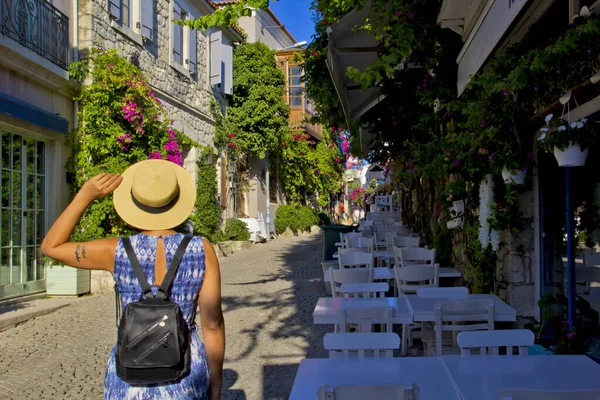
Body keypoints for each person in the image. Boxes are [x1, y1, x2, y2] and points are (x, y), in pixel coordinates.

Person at [41, 159, 225, 400]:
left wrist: (84, 196)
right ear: (176, 201)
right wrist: (216, 379)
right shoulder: (202, 249)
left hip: (131, 372)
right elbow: (213, 324)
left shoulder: (115, 251)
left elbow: (51, 246)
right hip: (187, 368)